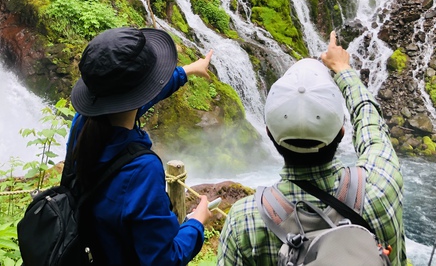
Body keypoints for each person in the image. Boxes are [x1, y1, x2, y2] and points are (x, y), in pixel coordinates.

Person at [216, 31, 407, 266]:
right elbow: (371, 122)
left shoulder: (244, 222)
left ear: (269, 134)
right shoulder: (381, 186)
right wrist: (342, 69)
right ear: (341, 131)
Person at [67, 26, 214, 265]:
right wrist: (196, 223)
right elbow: (163, 259)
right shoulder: (141, 170)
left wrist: (188, 71)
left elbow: (141, 97)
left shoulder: (83, 124)